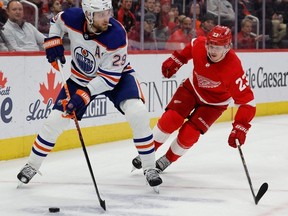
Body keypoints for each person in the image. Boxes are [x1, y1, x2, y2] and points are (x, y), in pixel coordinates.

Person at [17, 0, 162, 189]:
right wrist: (53, 41)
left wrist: (84, 95)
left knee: (138, 112)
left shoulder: (117, 34)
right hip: (80, 77)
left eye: (107, 12)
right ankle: (32, 165)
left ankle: (150, 167)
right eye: (100, 14)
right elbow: (56, 22)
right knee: (55, 120)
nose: (106, 18)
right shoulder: (72, 17)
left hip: (116, 77)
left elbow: (109, 78)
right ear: (88, 15)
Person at [132, 25, 256, 173]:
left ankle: (167, 159)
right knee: (171, 119)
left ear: (227, 47)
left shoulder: (233, 68)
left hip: (214, 104)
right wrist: (177, 59)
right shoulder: (199, 45)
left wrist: (240, 126)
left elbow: (247, 102)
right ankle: (147, 152)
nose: (212, 51)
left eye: (218, 48)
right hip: (191, 89)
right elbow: (190, 48)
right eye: (210, 46)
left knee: (189, 134)